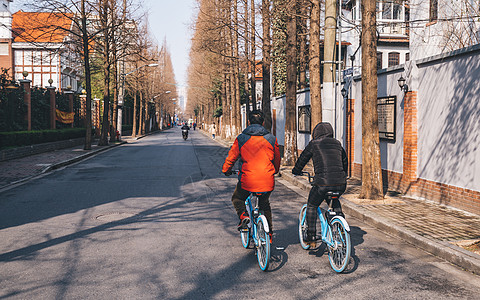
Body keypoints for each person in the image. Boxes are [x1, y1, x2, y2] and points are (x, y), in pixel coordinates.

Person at [222, 110, 281, 240]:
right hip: (267, 180)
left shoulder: (242, 138)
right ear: (263, 122)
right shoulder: (271, 138)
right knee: (265, 205)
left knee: (237, 198)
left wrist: (226, 170)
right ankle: (269, 234)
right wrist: (274, 171)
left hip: (247, 181)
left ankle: (244, 216)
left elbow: (232, 157)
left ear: (248, 122)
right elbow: (277, 159)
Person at [292, 122, 348, 248]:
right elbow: (344, 161)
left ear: (316, 133)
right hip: (340, 183)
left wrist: (296, 170)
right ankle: (341, 227)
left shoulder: (314, 144)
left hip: (322, 183)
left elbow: (303, 158)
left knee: (312, 205)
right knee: (334, 200)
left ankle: (311, 237)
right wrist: (343, 174)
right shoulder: (337, 144)